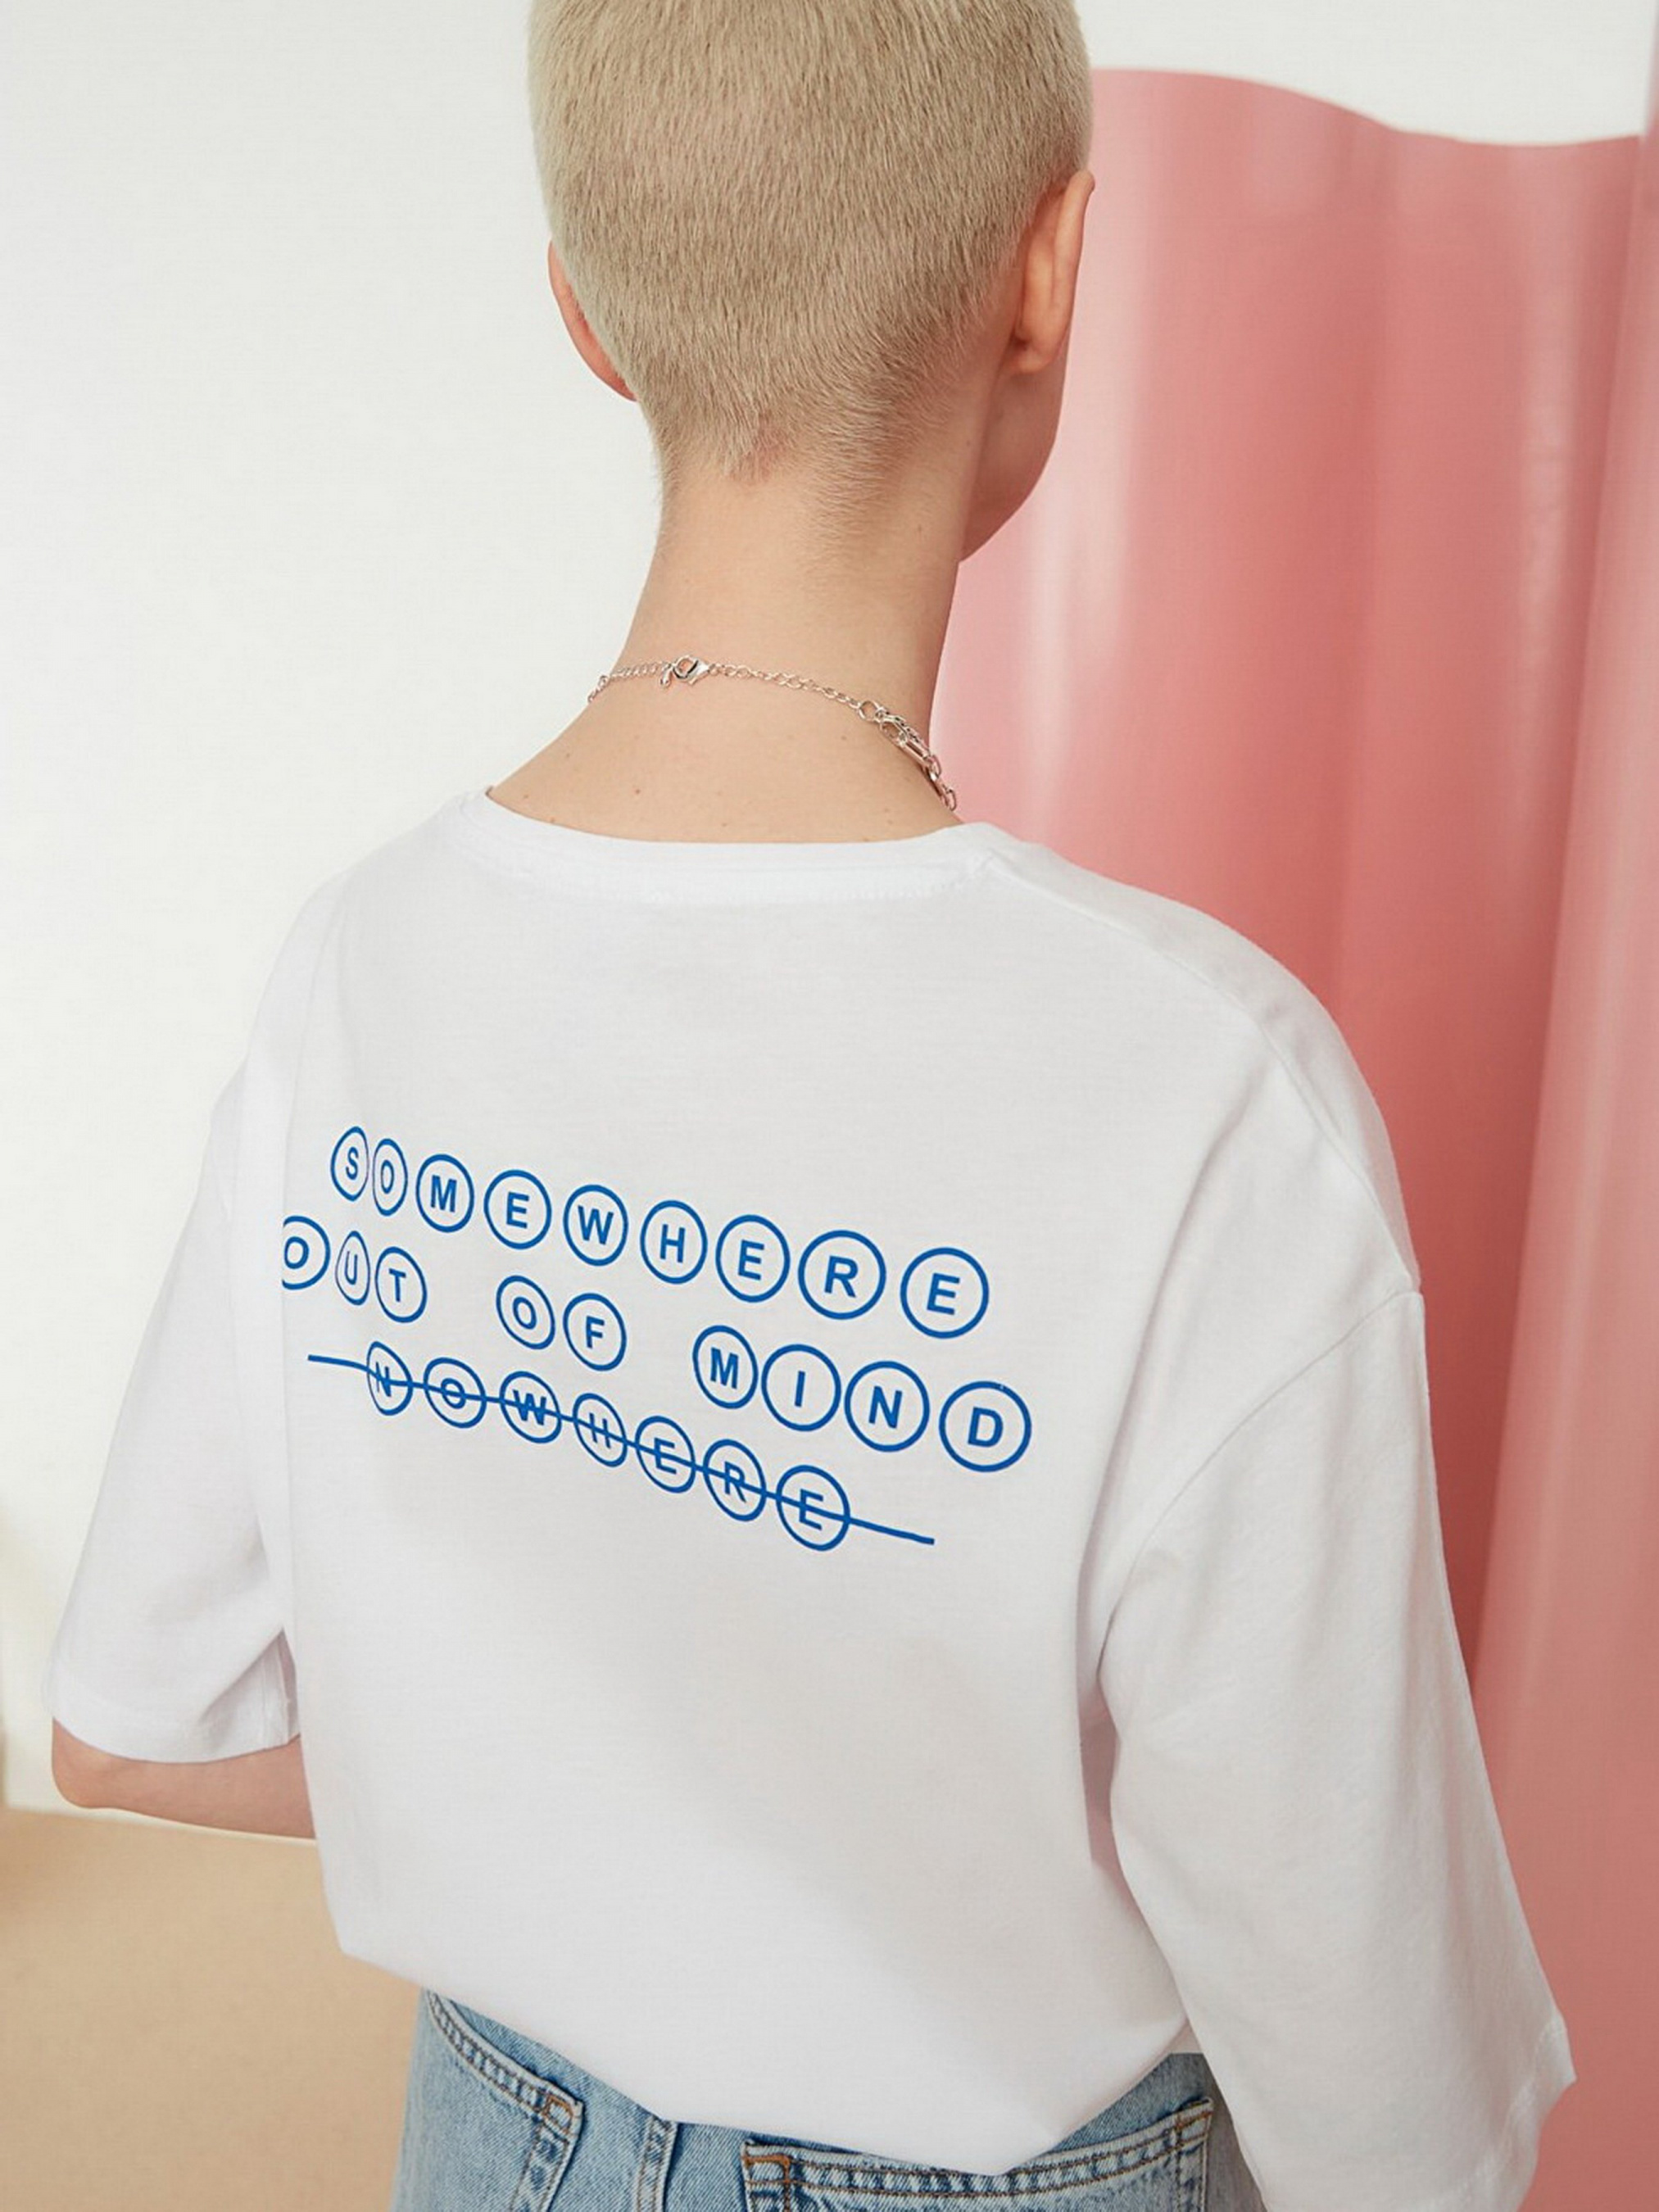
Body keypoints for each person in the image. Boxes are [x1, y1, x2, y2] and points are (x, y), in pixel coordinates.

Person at [43, 2, 1575, 2207]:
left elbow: (131, 1719)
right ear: (1048, 271)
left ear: (584, 315)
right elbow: (1385, 2098)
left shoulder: (358, 963)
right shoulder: (1208, 1097)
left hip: (491, 2135)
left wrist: (575, 1803)